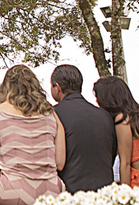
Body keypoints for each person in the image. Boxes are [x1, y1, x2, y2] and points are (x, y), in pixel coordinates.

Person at [0, 65, 65, 205]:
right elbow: (59, 163)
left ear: (6, 87)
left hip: (10, 193)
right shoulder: (52, 115)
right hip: (51, 194)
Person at [50, 64, 117, 193]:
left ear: (57, 88)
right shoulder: (105, 115)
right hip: (105, 192)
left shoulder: (53, 115)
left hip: (70, 193)